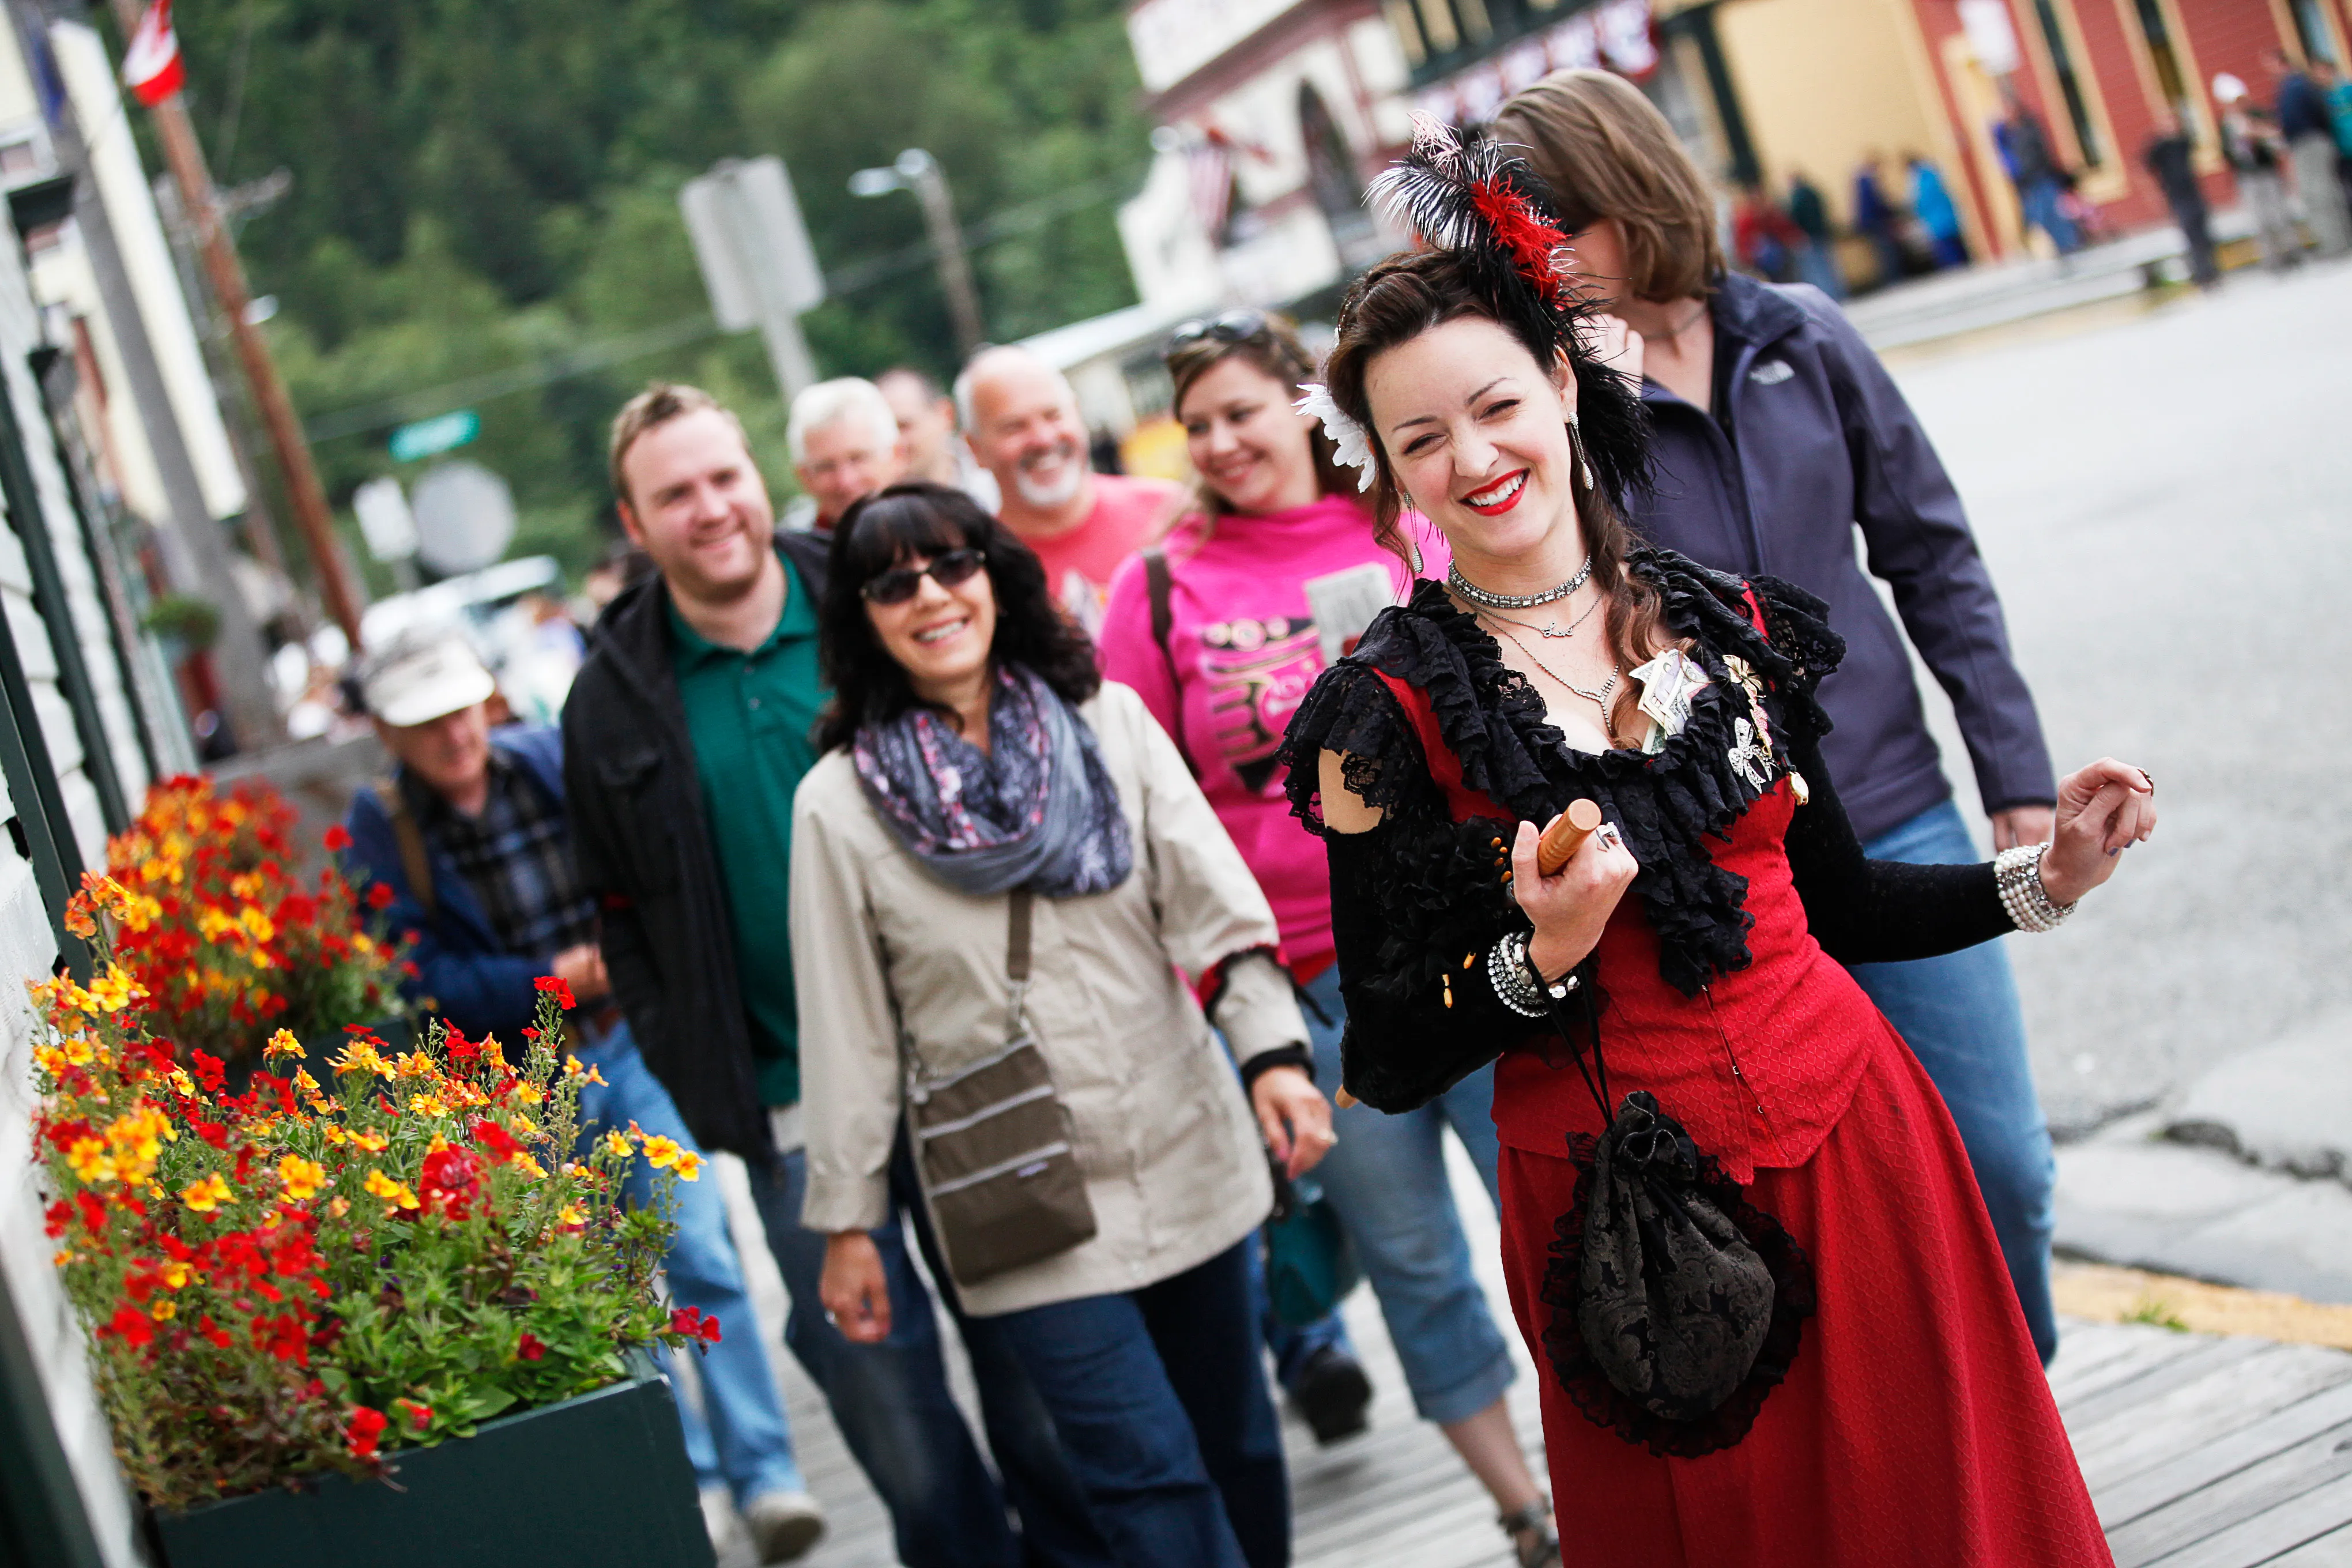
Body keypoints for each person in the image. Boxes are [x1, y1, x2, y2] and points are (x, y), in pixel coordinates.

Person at [1281, 125, 2151, 1562]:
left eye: (1492, 405)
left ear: (1561, 385)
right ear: (1384, 469)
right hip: (1633, 1228)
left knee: (1940, 1513)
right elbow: (1381, 1049)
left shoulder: (1723, 621)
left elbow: (1844, 903)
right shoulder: (1376, 717)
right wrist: (1537, 955)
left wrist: (2043, 876)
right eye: (1418, 438)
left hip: (1859, 1140)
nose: (1471, 457)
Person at [1496, 69, 2068, 1361]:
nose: (1542, 262)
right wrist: (1591, 409)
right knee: (1816, 1212)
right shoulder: (1553, 402)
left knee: (2002, 1163)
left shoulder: (1802, 335)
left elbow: (1933, 555)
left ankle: (2012, 1402)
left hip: (1896, 804)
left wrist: (2014, 775)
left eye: (1557, 229)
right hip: (1724, 865)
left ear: (1629, 200)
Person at [562, 384, 1108, 1568]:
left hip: (966, 1061)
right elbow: (622, 922)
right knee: (895, 1415)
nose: (710, 510)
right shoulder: (608, 698)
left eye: (723, 478)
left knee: (1037, 1375)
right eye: (675, 494)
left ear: (759, 476)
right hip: (793, 1104)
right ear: (634, 519)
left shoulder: (873, 591)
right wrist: (712, 1091)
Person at [1096, 314, 1561, 1567]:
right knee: (1416, 1256)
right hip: (1310, 984)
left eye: (1241, 410)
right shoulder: (1158, 585)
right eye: (1196, 424)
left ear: (1304, 406)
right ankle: (1526, 1509)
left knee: (1549, 1212)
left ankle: (1601, 1445)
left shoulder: (1403, 524)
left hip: (1466, 943)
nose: (1220, 441)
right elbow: (1137, 799)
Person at [796, 483, 1328, 1568]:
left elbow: (1217, 918)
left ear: (996, 574)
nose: (931, 597)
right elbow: (849, 1036)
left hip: (1183, 1138)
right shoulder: (836, 807)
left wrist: (1272, 1057)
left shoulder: (1108, 723)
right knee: (1144, 1476)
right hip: (1018, 1194)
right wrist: (850, 1222)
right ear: (863, 618)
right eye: (893, 583)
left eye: (952, 565)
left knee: (1237, 1446)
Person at [342, 628, 826, 1565]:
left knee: (696, 1246)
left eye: (458, 711)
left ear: (483, 700)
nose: (452, 737)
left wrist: (632, 966)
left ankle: (767, 1477)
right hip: (520, 1088)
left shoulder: (547, 765)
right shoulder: (385, 830)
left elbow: (640, 872)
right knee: (599, 1290)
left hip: (631, 1049)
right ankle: (690, 1485)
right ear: (389, 736)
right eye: (424, 724)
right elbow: (417, 973)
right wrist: (548, 980)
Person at [956, 345, 1188, 632]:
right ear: (975, 449)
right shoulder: (971, 570)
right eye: (1014, 427)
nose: (1042, 439)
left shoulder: (1173, 512)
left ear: (1078, 414)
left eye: (1053, 415)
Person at [787, 377, 908, 537]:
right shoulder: (794, 556)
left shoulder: (943, 535)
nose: (846, 481)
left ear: (896, 455)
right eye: (826, 467)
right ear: (804, 478)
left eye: (858, 458)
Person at [878, 365, 1001, 510]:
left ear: (946, 415)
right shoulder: (881, 507)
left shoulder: (995, 484)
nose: (895, 441)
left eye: (904, 426)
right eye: (885, 431)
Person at [2270, 49, 2352, 257]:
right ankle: (2335, 240)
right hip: (2311, 143)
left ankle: (2337, 242)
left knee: (2321, 194)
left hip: (2311, 143)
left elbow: (2319, 114)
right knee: (2320, 193)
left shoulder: (2298, 86)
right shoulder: (2293, 87)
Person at [2218, 74, 2301, 271]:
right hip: (2246, 176)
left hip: (2266, 170)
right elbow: (2226, 153)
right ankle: (2272, 260)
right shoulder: (2226, 124)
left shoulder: (2258, 115)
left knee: (2280, 214)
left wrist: (2257, 133)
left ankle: (2292, 252)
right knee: (2259, 221)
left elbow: (2277, 139)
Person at [2144, 107, 2221, 288]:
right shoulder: (2159, 147)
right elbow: (2145, 170)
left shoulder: (2184, 142)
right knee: (2191, 236)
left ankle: (2211, 271)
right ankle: (2202, 276)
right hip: (2176, 196)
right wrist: (2155, 195)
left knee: (2205, 234)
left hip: (2193, 193)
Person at [2000, 90, 2080, 256]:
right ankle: (2060, 245)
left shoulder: (2029, 127)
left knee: (2052, 212)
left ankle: (2069, 244)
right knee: (2040, 216)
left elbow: (2041, 152)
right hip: (2029, 182)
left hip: (2041, 176)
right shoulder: (2010, 132)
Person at [1782, 169, 1846, 300]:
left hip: (1809, 236)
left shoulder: (1799, 196)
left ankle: (1827, 296)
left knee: (1817, 269)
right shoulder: (1812, 192)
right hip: (1820, 232)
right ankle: (1838, 293)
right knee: (1828, 266)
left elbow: (1796, 216)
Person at [1848, 152, 1905, 289]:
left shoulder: (1861, 180)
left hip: (1871, 222)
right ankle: (1895, 278)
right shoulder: (1868, 181)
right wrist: (1890, 213)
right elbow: (1876, 202)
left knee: (1883, 251)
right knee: (1886, 251)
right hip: (1876, 222)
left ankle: (1894, 278)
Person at [1905, 152, 1968, 269]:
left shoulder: (1918, 181)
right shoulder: (1934, 172)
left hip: (1936, 221)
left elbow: (1919, 203)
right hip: (1948, 216)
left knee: (1948, 251)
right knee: (1957, 247)